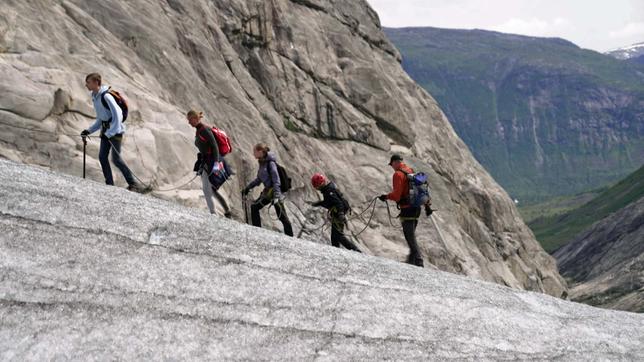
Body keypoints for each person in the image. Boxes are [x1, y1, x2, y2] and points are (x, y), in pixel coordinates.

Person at [80, 73, 144, 192]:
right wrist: (88, 131)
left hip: (116, 131)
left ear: (96, 82)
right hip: (106, 131)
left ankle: (133, 184)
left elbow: (118, 115)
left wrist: (110, 133)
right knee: (102, 157)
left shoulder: (106, 96)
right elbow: (101, 118)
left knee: (116, 159)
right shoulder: (95, 96)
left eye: (88, 82)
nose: (86, 84)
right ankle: (109, 184)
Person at [379, 154, 424, 267]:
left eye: (392, 164)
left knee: (409, 236)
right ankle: (411, 260)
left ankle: (419, 261)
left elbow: (397, 195)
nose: (392, 167)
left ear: (395, 162)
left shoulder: (398, 174)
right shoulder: (410, 170)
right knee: (411, 234)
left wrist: (386, 196)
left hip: (407, 209)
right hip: (416, 207)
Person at [187, 110, 232, 218]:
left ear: (195, 118)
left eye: (190, 120)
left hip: (211, 161)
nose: (189, 123)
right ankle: (227, 211)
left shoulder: (204, 130)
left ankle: (213, 214)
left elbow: (215, 146)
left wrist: (216, 163)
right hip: (206, 161)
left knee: (207, 189)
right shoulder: (199, 130)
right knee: (211, 189)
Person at [242, 144, 293, 236]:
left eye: (255, 151)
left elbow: (276, 180)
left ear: (260, 151)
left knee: (282, 216)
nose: (253, 153)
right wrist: (248, 188)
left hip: (274, 193)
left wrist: (277, 195)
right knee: (254, 207)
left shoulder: (270, 164)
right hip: (268, 193)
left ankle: (291, 237)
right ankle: (257, 231)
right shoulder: (262, 163)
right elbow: (259, 179)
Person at [310, 173, 361, 252]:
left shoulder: (329, 191)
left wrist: (340, 214)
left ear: (320, 184)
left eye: (317, 186)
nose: (317, 188)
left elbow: (338, 203)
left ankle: (356, 250)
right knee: (334, 236)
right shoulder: (328, 189)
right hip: (337, 214)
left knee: (339, 236)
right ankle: (336, 251)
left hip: (338, 215)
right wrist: (319, 203)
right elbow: (330, 202)